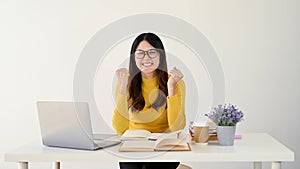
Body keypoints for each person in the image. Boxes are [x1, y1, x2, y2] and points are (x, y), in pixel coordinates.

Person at [112, 32, 186, 169]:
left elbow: (177, 127)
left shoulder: (175, 82)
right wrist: (122, 87)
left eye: (152, 52)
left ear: (160, 55)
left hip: (163, 145)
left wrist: (171, 88)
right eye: (140, 53)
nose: (146, 58)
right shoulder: (126, 81)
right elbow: (120, 128)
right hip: (134, 144)